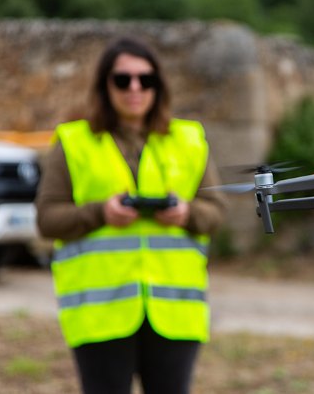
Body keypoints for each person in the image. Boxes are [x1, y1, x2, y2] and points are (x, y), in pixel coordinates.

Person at [35, 37, 226, 394]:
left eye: (145, 79)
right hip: (100, 313)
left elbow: (216, 211)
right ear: (105, 86)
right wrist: (100, 212)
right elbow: (47, 219)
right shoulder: (73, 142)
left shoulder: (189, 140)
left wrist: (186, 214)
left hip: (175, 313)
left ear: (158, 86)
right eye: (122, 80)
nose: (134, 88)